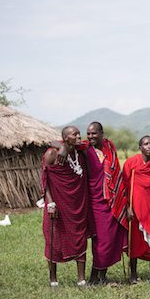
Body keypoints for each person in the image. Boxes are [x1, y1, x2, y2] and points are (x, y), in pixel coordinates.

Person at [52, 122, 128, 285]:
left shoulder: (109, 147)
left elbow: (116, 175)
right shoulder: (86, 148)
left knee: (111, 238)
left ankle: (102, 275)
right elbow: (52, 142)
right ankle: (94, 276)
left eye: (94, 133)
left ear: (102, 133)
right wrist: (63, 147)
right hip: (94, 201)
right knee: (101, 240)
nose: (90, 136)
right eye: (88, 134)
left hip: (113, 201)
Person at [41, 126, 89, 287]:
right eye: (74, 134)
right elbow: (45, 180)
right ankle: (53, 279)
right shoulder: (51, 154)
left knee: (80, 238)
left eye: (78, 133)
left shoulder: (80, 153)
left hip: (77, 205)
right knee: (54, 238)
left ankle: (81, 279)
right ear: (65, 137)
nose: (78, 136)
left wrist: (63, 147)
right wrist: (50, 203)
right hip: (57, 205)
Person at [122, 135, 150, 284]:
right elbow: (124, 187)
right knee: (134, 240)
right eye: (146, 144)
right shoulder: (131, 163)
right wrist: (127, 207)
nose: (149, 146)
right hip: (135, 208)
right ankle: (133, 275)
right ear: (140, 147)